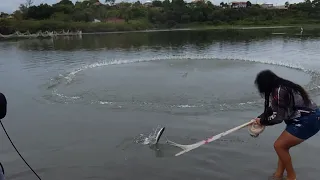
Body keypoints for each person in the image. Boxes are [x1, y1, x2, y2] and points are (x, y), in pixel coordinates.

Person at [254, 70, 320, 180]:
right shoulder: (281, 87)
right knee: (283, 146)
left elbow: (278, 117)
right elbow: (274, 108)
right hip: (308, 118)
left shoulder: (280, 91)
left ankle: (291, 177)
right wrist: (260, 117)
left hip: (308, 120)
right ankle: (278, 175)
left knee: (279, 145)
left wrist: (262, 122)